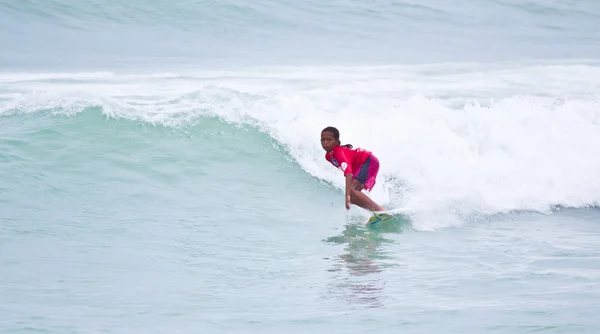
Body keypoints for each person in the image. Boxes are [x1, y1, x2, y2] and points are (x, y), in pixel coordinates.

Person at [320, 126, 386, 212]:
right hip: (362, 166)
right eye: (323, 140)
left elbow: (348, 173)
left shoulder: (339, 152)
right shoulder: (328, 156)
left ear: (337, 142)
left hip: (368, 161)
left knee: (351, 193)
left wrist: (347, 195)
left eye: (329, 140)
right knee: (353, 197)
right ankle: (375, 212)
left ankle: (379, 210)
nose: (325, 143)